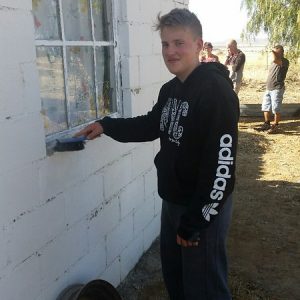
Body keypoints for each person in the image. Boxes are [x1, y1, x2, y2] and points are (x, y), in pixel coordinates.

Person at [75, 8, 239, 300]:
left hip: (202, 210)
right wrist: (106, 125)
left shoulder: (216, 93)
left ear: (199, 45)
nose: (170, 52)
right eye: (165, 44)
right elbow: (151, 125)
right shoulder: (171, 90)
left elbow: (221, 169)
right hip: (173, 202)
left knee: (204, 290)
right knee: (177, 282)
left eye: (179, 43)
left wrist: (195, 221)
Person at [256, 45, 289, 133]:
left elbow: (275, 59)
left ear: (281, 52)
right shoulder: (273, 62)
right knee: (265, 107)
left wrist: (271, 51)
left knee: (276, 108)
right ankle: (267, 124)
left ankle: (276, 126)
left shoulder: (284, 61)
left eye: (276, 52)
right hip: (269, 88)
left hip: (277, 88)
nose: (273, 54)